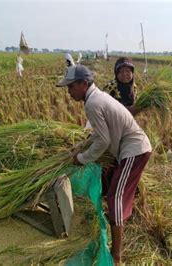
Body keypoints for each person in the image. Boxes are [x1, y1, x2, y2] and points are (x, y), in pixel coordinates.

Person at [56, 65, 152, 264]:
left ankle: (116, 257)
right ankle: (120, 223)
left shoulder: (93, 102)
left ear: (83, 84)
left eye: (71, 87)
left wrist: (81, 159)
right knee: (112, 188)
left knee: (115, 196)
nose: (69, 92)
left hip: (134, 150)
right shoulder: (95, 98)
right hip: (127, 149)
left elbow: (103, 141)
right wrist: (80, 147)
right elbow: (98, 135)